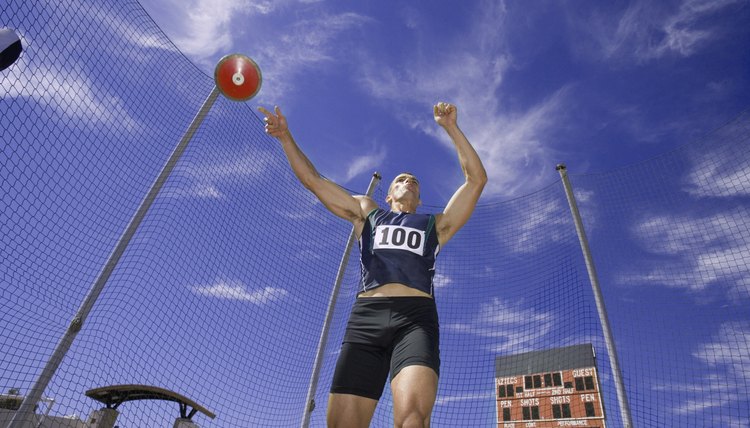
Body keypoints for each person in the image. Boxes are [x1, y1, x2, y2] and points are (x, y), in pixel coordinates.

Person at [258, 102, 487, 428]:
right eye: (400, 179)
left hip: (416, 320)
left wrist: (451, 128)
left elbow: (476, 180)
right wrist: (285, 137)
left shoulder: (435, 224)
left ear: (419, 200)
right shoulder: (368, 212)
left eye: (414, 181)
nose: (407, 180)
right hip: (367, 319)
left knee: (412, 419)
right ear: (389, 195)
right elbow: (313, 180)